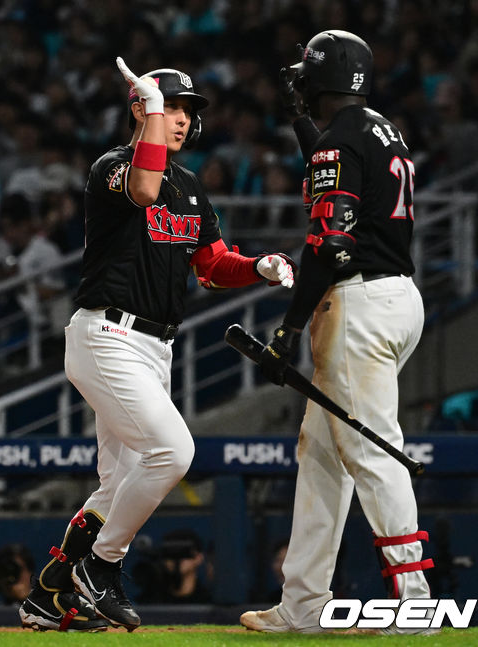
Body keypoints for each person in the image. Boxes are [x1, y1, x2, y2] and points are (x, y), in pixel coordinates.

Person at [19, 58, 296, 633]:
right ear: (141, 110)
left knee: (118, 484)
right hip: (107, 333)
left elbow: (213, 265)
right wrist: (146, 107)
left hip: (155, 348)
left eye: (186, 110)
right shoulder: (113, 168)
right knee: (174, 452)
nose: (180, 118)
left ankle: (48, 596)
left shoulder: (190, 188)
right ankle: (101, 568)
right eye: (170, 106)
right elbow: (145, 189)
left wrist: (258, 267)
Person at [240, 30, 435, 635]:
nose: (298, 78)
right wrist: (302, 123)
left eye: (306, 72)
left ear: (324, 76)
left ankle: (416, 598)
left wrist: (289, 328)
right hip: (397, 295)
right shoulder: (379, 128)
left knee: (373, 449)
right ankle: (303, 604)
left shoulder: (345, 139)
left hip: (359, 302)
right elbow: (334, 161)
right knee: (322, 453)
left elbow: (329, 244)